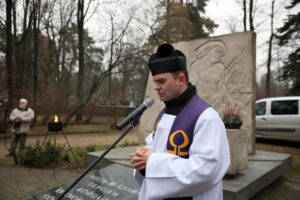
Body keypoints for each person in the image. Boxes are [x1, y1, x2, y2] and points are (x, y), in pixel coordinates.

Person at [130, 43, 230, 200]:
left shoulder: (207, 118)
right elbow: (156, 147)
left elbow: (206, 170)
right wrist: (143, 159)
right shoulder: (164, 113)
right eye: (155, 82)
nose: (156, 87)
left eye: (161, 81)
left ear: (181, 79)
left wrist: (152, 163)